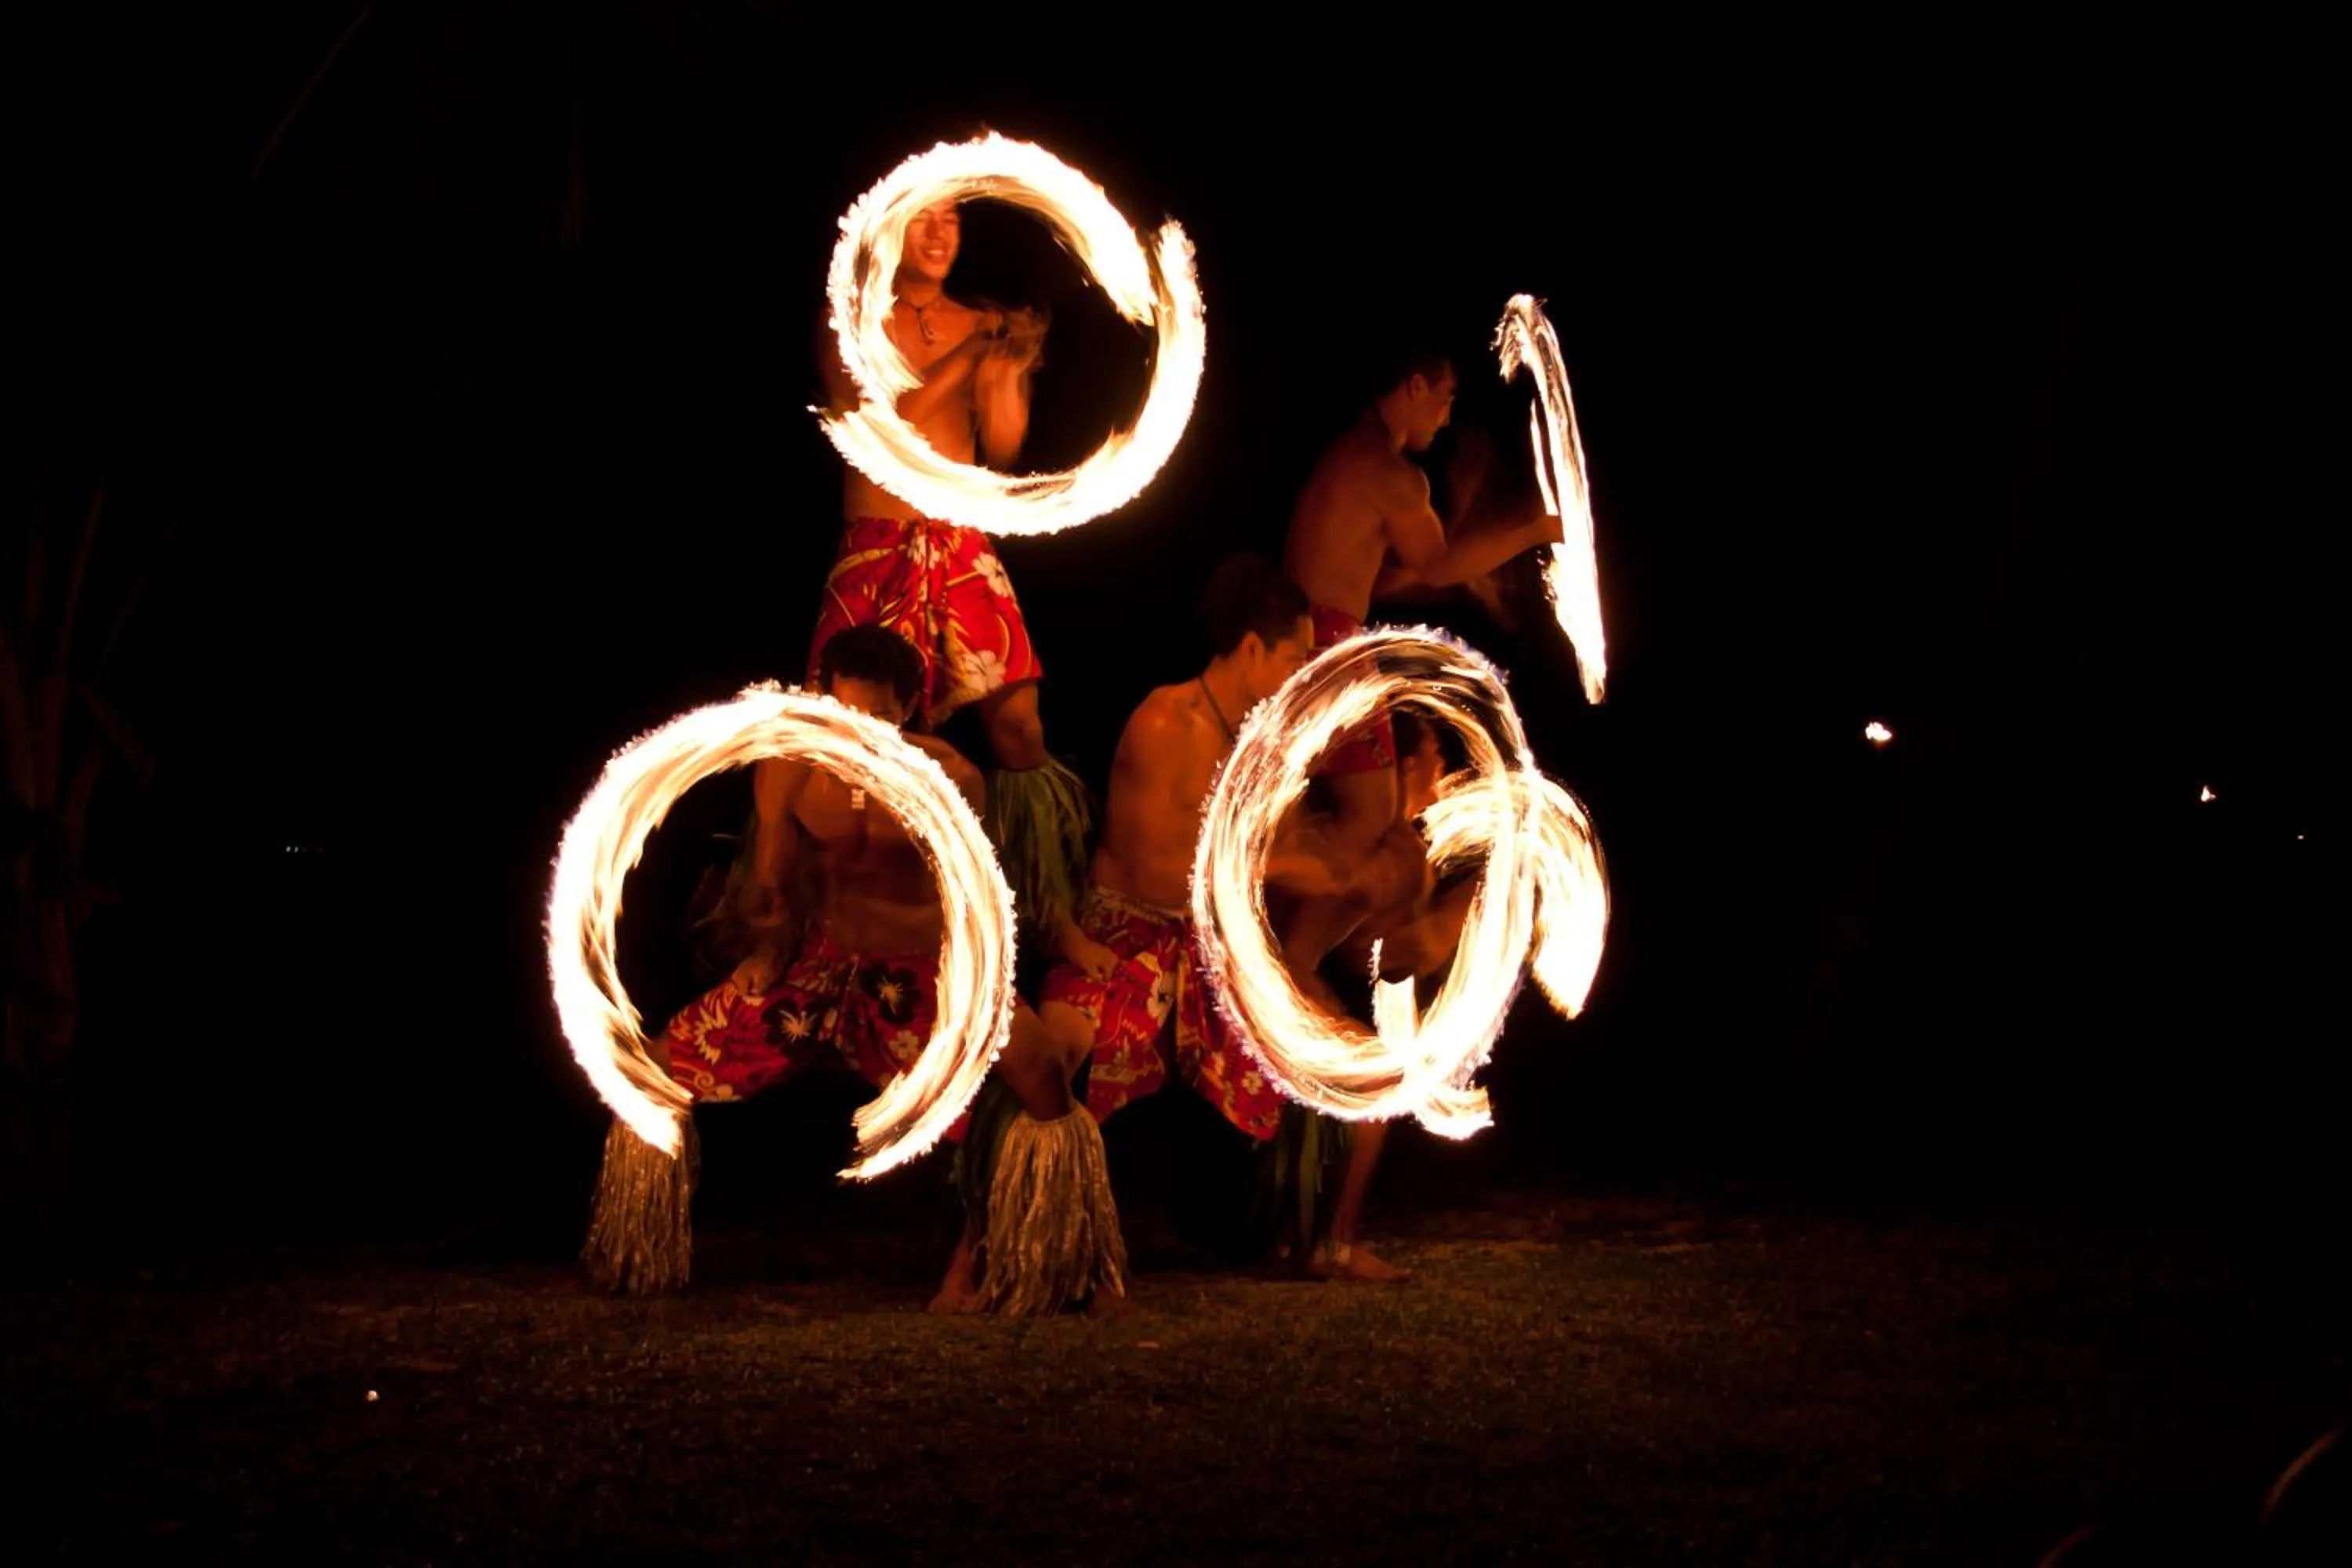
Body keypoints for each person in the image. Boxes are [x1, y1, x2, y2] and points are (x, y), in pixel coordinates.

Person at [590, 624, 1127, 1312]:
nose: (858, 730)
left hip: (919, 973)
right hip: (819, 971)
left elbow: (972, 901)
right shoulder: (790, 766)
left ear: (907, 708)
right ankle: (637, 1251)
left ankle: (1037, 1264)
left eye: (876, 716)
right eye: (845, 712)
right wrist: (761, 936)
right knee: (658, 1064)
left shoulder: (951, 779)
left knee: (1042, 1072)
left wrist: (978, 989)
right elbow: (772, 880)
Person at [931, 555, 1352, 1308]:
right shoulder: (1166, 722)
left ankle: (1312, 1240)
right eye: (1294, 656)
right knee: (1056, 1059)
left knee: (1315, 1040)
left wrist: (1328, 869)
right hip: (1122, 935)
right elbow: (1156, 871)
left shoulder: (1269, 744)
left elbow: (1287, 850)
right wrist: (1276, 865)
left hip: (1209, 943)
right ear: (1252, 648)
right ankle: (976, 1263)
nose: (1301, 673)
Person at [808, 197, 1091, 946]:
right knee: (848, 743)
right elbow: (887, 426)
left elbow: (1001, 446)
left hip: (959, 543)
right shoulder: (849, 322)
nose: (938, 235)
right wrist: (969, 356)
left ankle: (1047, 916)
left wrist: (1011, 368)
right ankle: (824, 930)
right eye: (924, 220)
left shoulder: (976, 321)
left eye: (952, 222)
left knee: (1022, 730)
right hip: (877, 545)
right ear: (891, 229)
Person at [1276, 343, 1561, 1015]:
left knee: (1391, 833)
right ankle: (1290, 954)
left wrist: (1472, 567)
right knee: (1377, 819)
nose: (1447, 413)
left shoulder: (1355, 457)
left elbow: (1393, 575)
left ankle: (1298, 946)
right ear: (1414, 386)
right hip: (1327, 649)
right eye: (1445, 397)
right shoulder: (1392, 473)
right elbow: (1435, 564)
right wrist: (1540, 529)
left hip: (1313, 638)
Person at [1299, 706, 1479, 1282]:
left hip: (1316, 988)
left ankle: (1307, 1234)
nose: (1444, 768)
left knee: (1383, 1067)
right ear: (1403, 766)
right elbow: (1397, 953)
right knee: (1377, 1080)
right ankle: (1335, 1246)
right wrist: (1482, 897)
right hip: (1288, 989)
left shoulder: (1399, 847)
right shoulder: (1377, 850)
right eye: (1434, 756)